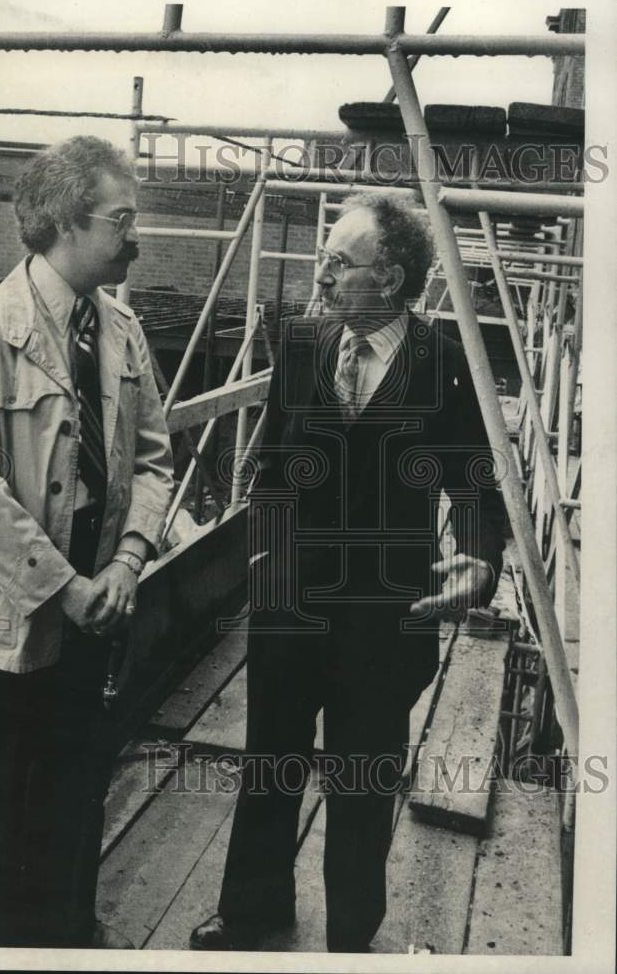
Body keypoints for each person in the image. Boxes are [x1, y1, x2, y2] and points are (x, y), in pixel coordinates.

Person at [190, 192, 506, 953]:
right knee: (270, 763)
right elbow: (271, 468)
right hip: (289, 609)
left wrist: (481, 561)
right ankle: (252, 908)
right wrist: (266, 565)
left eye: (339, 262)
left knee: (364, 785)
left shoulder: (443, 360)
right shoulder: (299, 342)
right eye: (323, 260)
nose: (321, 275)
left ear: (391, 277)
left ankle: (351, 940)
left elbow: (472, 481)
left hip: (386, 617)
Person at [0, 135, 173, 948]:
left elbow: (152, 458)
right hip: (10, 617)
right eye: (123, 220)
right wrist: (69, 587)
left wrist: (129, 562)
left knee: (77, 787)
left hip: (101, 608)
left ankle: (67, 935)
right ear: (69, 222)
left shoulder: (124, 332)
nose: (137, 239)